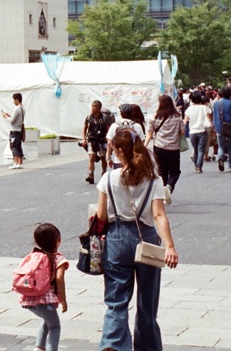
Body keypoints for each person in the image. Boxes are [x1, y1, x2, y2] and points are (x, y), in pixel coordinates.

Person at [96, 129, 179, 351]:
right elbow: (159, 215)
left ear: (119, 151)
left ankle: (113, 344)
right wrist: (170, 246)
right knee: (147, 301)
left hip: (116, 239)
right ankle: (148, 346)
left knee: (116, 299)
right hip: (147, 238)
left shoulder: (108, 178)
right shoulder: (154, 180)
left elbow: (102, 216)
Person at [16, 223, 68, 351]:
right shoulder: (58, 258)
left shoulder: (34, 255)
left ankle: (39, 347)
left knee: (47, 321)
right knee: (55, 326)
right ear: (58, 241)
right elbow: (59, 278)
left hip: (29, 299)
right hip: (46, 301)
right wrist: (63, 299)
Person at [145, 96, 184, 199]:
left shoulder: (155, 117)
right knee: (175, 171)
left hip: (159, 147)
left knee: (162, 171)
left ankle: (162, 194)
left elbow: (149, 133)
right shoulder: (177, 116)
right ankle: (169, 187)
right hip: (173, 148)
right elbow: (183, 132)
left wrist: (144, 146)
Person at [81, 100, 112, 184]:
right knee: (91, 157)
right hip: (92, 139)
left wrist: (108, 138)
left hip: (102, 140)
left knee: (102, 158)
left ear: (99, 108)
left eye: (95, 106)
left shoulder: (105, 118)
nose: (93, 108)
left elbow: (109, 129)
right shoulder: (89, 117)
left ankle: (104, 173)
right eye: (92, 106)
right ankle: (91, 175)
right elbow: (84, 127)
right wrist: (84, 139)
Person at [211, 87, 231, 172]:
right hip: (230, 127)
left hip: (220, 127)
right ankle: (230, 166)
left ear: (221, 94)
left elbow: (215, 117)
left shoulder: (217, 104)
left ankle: (220, 158)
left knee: (221, 146)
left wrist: (215, 127)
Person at [183, 91, 211, 173]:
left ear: (191, 99)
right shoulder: (204, 107)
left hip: (192, 131)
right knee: (201, 150)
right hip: (202, 130)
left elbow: (185, 121)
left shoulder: (189, 109)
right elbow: (209, 118)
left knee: (195, 149)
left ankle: (196, 165)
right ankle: (199, 167)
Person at [2, 93, 26, 169]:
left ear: (17, 99)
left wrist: (6, 117)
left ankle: (16, 163)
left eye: (13, 100)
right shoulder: (23, 108)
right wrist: (10, 116)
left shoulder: (17, 109)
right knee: (19, 146)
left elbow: (12, 120)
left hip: (14, 130)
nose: (13, 101)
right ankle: (20, 163)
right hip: (19, 130)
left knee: (13, 147)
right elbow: (17, 119)